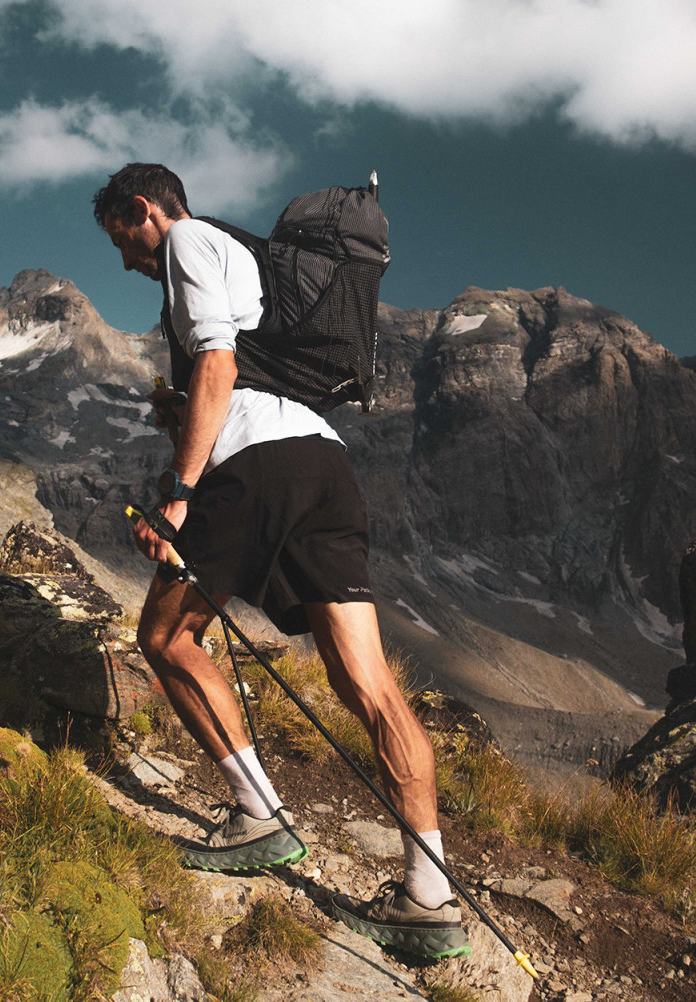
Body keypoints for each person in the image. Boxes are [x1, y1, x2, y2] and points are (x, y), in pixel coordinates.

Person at [93, 163, 471, 960]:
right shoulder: (250, 258)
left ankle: (259, 814)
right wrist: (181, 415)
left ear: (142, 210)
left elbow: (222, 369)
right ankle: (429, 896)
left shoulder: (189, 243)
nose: (124, 258)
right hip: (323, 467)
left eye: (121, 238)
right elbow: (232, 380)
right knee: (368, 684)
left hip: (255, 469)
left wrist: (179, 492)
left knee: (165, 638)